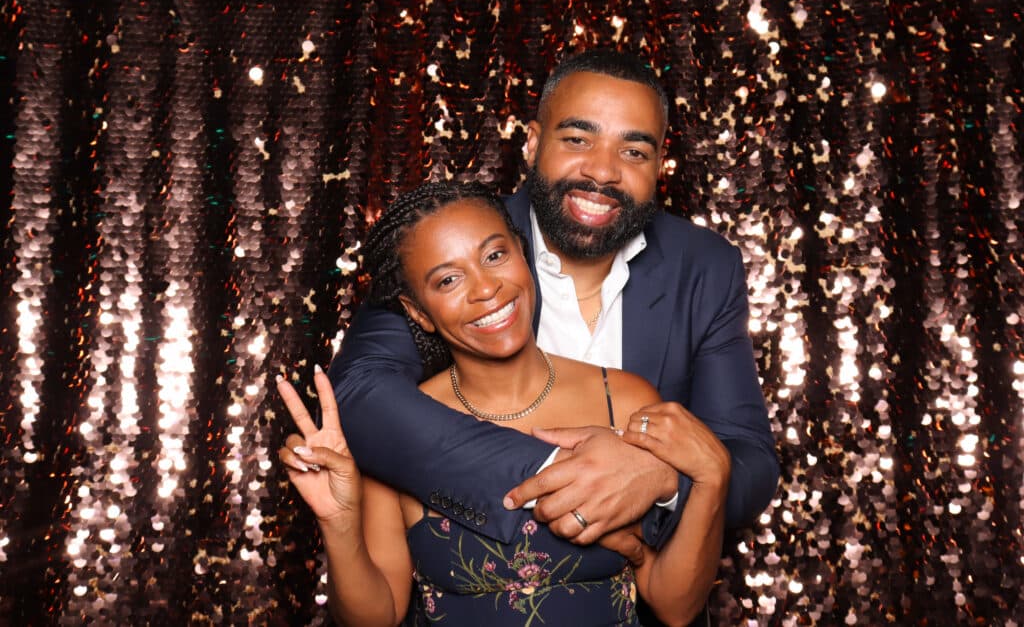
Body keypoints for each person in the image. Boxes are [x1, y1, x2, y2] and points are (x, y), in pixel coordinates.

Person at [329, 49, 777, 550]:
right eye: (578, 139)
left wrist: (662, 480)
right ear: (534, 142)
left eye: (634, 151)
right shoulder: (463, 243)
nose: (603, 172)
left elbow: (749, 461)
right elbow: (359, 395)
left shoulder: (705, 265)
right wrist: (559, 475)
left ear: (659, 165)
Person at [278, 181, 731, 625]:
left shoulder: (625, 398)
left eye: (495, 256)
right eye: (449, 279)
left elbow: (675, 606)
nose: (486, 289)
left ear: (524, 255)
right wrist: (339, 523)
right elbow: (378, 615)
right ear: (417, 313)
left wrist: (712, 479)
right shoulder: (403, 433)